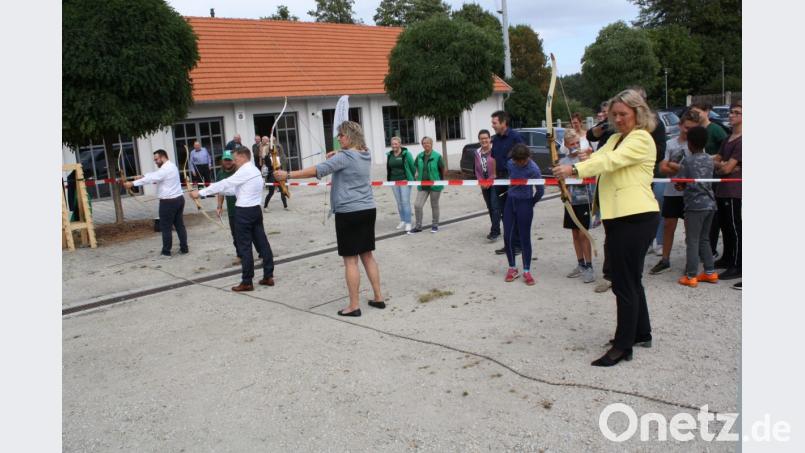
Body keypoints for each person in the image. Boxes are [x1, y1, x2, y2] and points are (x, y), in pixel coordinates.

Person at [553, 89, 660, 367]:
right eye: (615, 114)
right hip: (619, 217)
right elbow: (597, 158)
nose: (619, 119)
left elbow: (610, 161)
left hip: (636, 216)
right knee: (630, 279)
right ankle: (641, 333)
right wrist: (576, 160)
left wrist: (574, 171)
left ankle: (623, 346)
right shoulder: (614, 138)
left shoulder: (641, 139)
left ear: (638, 113)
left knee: (623, 283)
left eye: (624, 114)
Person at [273, 121, 384, 317]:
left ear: (350, 136)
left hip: (349, 212)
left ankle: (354, 306)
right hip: (367, 209)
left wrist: (287, 174)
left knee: (350, 260)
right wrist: (338, 154)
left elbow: (318, 170)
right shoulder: (364, 154)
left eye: (341, 135)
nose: (338, 138)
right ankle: (378, 297)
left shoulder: (345, 156)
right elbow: (347, 157)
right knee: (367, 255)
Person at [191, 147, 275, 292]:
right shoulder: (255, 170)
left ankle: (247, 281)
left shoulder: (244, 171)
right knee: (262, 243)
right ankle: (268, 275)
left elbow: (225, 183)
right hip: (255, 210)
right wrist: (218, 191)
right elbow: (236, 189)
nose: (234, 162)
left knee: (245, 247)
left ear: (243, 157)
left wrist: (201, 192)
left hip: (244, 212)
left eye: (236, 158)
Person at [649, 110, 697, 275]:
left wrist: (676, 169)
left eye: (692, 128)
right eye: (686, 127)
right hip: (671, 192)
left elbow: (697, 169)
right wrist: (682, 170)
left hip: (689, 193)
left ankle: (690, 262)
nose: (688, 131)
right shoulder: (670, 144)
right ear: (680, 125)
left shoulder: (696, 144)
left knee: (690, 228)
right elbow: (662, 167)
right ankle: (665, 259)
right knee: (668, 225)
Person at [673, 126, 718, 287]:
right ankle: (709, 272)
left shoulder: (688, 161)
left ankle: (691, 275)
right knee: (704, 239)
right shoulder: (709, 160)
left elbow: (679, 184)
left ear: (690, 144)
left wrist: (678, 183)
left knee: (692, 240)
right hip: (710, 204)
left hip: (694, 206)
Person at [123, 149, 188, 257]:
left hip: (168, 202)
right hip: (179, 200)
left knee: (166, 227)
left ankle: (166, 252)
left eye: (156, 159)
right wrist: (143, 176)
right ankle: (184, 248)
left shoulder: (165, 170)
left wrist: (132, 183)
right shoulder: (172, 166)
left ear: (163, 157)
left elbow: (153, 177)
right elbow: (155, 175)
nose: (155, 161)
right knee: (179, 225)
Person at [502, 144, 544, 286]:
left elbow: (540, 190)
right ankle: (512, 268)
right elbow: (509, 176)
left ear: (528, 157)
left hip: (525, 202)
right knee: (507, 235)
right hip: (510, 201)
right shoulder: (510, 163)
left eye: (522, 161)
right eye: (517, 161)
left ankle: (527, 270)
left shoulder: (534, 169)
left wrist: (531, 202)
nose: (519, 163)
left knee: (524, 237)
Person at [691, 101, 728, 257]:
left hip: (712, 177)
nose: (695, 115)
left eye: (698, 112)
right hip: (698, 178)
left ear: (707, 111)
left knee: (712, 215)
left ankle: (710, 248)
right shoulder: (695, 129)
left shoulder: (716, 130)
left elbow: (726, 148)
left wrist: (718, 161)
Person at [559, 129, 595, 283]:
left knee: (583, 234)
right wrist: (564, 191)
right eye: (571, 144)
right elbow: (561, 181)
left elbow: (591, 174)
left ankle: (589, 266)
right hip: (570, 202)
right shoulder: (563, 162)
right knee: (575, 234)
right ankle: (580, 264)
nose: (575, 146)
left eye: (577, 143)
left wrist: (580, 167)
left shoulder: (585, 158)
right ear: (566, 145)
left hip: (584, 200)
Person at [712, 101, 742, 280]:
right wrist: (722, 164)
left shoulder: (743, 140)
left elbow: (726, 169)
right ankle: (727, 257)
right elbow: (717, 160)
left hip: (734, 190)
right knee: (725, 226)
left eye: (737, 112)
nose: (731, 115)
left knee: (734, 227)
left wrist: (723, 165)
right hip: (723, 188)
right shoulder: (728, 138)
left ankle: (738, 265)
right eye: (731, 112)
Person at [491, 110, 526, 255]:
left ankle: (518, 245)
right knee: (504, 213)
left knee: (514, 212)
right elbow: (493, 157)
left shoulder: (515, 137)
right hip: (499, 179)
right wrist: (493, 175)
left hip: (512, 179)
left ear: (504, 123)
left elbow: (524, 155)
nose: (492, 125)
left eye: (494, 122)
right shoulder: (496, 139)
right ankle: (508, 245)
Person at [409, 137, 445, 234]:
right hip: (422, 185)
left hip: (435, 185)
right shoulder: (420, 156)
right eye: (424, 143)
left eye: (428, 143)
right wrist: (416, 175)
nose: (426, 145)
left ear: (432, 144)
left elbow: (442, 170)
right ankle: (418, 226)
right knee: (417, 205)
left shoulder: (437, 156)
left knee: (434, 205)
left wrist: (441, 182)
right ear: (422, 145)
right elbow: (415, 166)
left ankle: (435, 225)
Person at [215, 151, 242, 266]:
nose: (227, 162)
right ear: (222, 161)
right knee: (235, 234)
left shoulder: (239, 171)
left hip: (243, 207)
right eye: (225, 160)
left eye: (230, 160)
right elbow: (221, 192)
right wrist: (219, 206)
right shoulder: (220, 174)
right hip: (231, 209)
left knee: (251, 232)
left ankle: (260, 252)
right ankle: (240, 255)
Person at [473, 129, 499, 240]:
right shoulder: (477, 152)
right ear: (479, 140)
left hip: (495, 182)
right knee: (489, 207)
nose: (484, 140)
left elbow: (497, 168)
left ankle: (495, 231)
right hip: (483, 184)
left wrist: (489, 180)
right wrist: (481, 181)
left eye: (486, 138)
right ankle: (496, 227)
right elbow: (477, 169)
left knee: (494, 206)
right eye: (481, 138)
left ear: (490, 139)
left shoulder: (496, 150)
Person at [386, 136, 415, 232]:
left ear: (400, 144)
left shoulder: (406, 154)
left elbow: (413, 167)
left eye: (396, 143)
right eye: (392, 144)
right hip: (394, 182)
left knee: (405, 202)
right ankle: (402, 220)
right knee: (399, 202)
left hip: (404, 181)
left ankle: (408, 222)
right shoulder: (389, 155)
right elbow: (389, 168)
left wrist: (410, 178)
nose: (394, 145)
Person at [263, 137, 288, 211]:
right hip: (272, 174)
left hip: (279, 174)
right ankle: (265, 207)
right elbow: (268, 165)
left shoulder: (278, 157)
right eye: (273, 149)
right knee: (271, 192)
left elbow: (282, 164)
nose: (275, 150)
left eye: (275, 149)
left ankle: (285, 206)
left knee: (283, 190)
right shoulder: (267, 157)